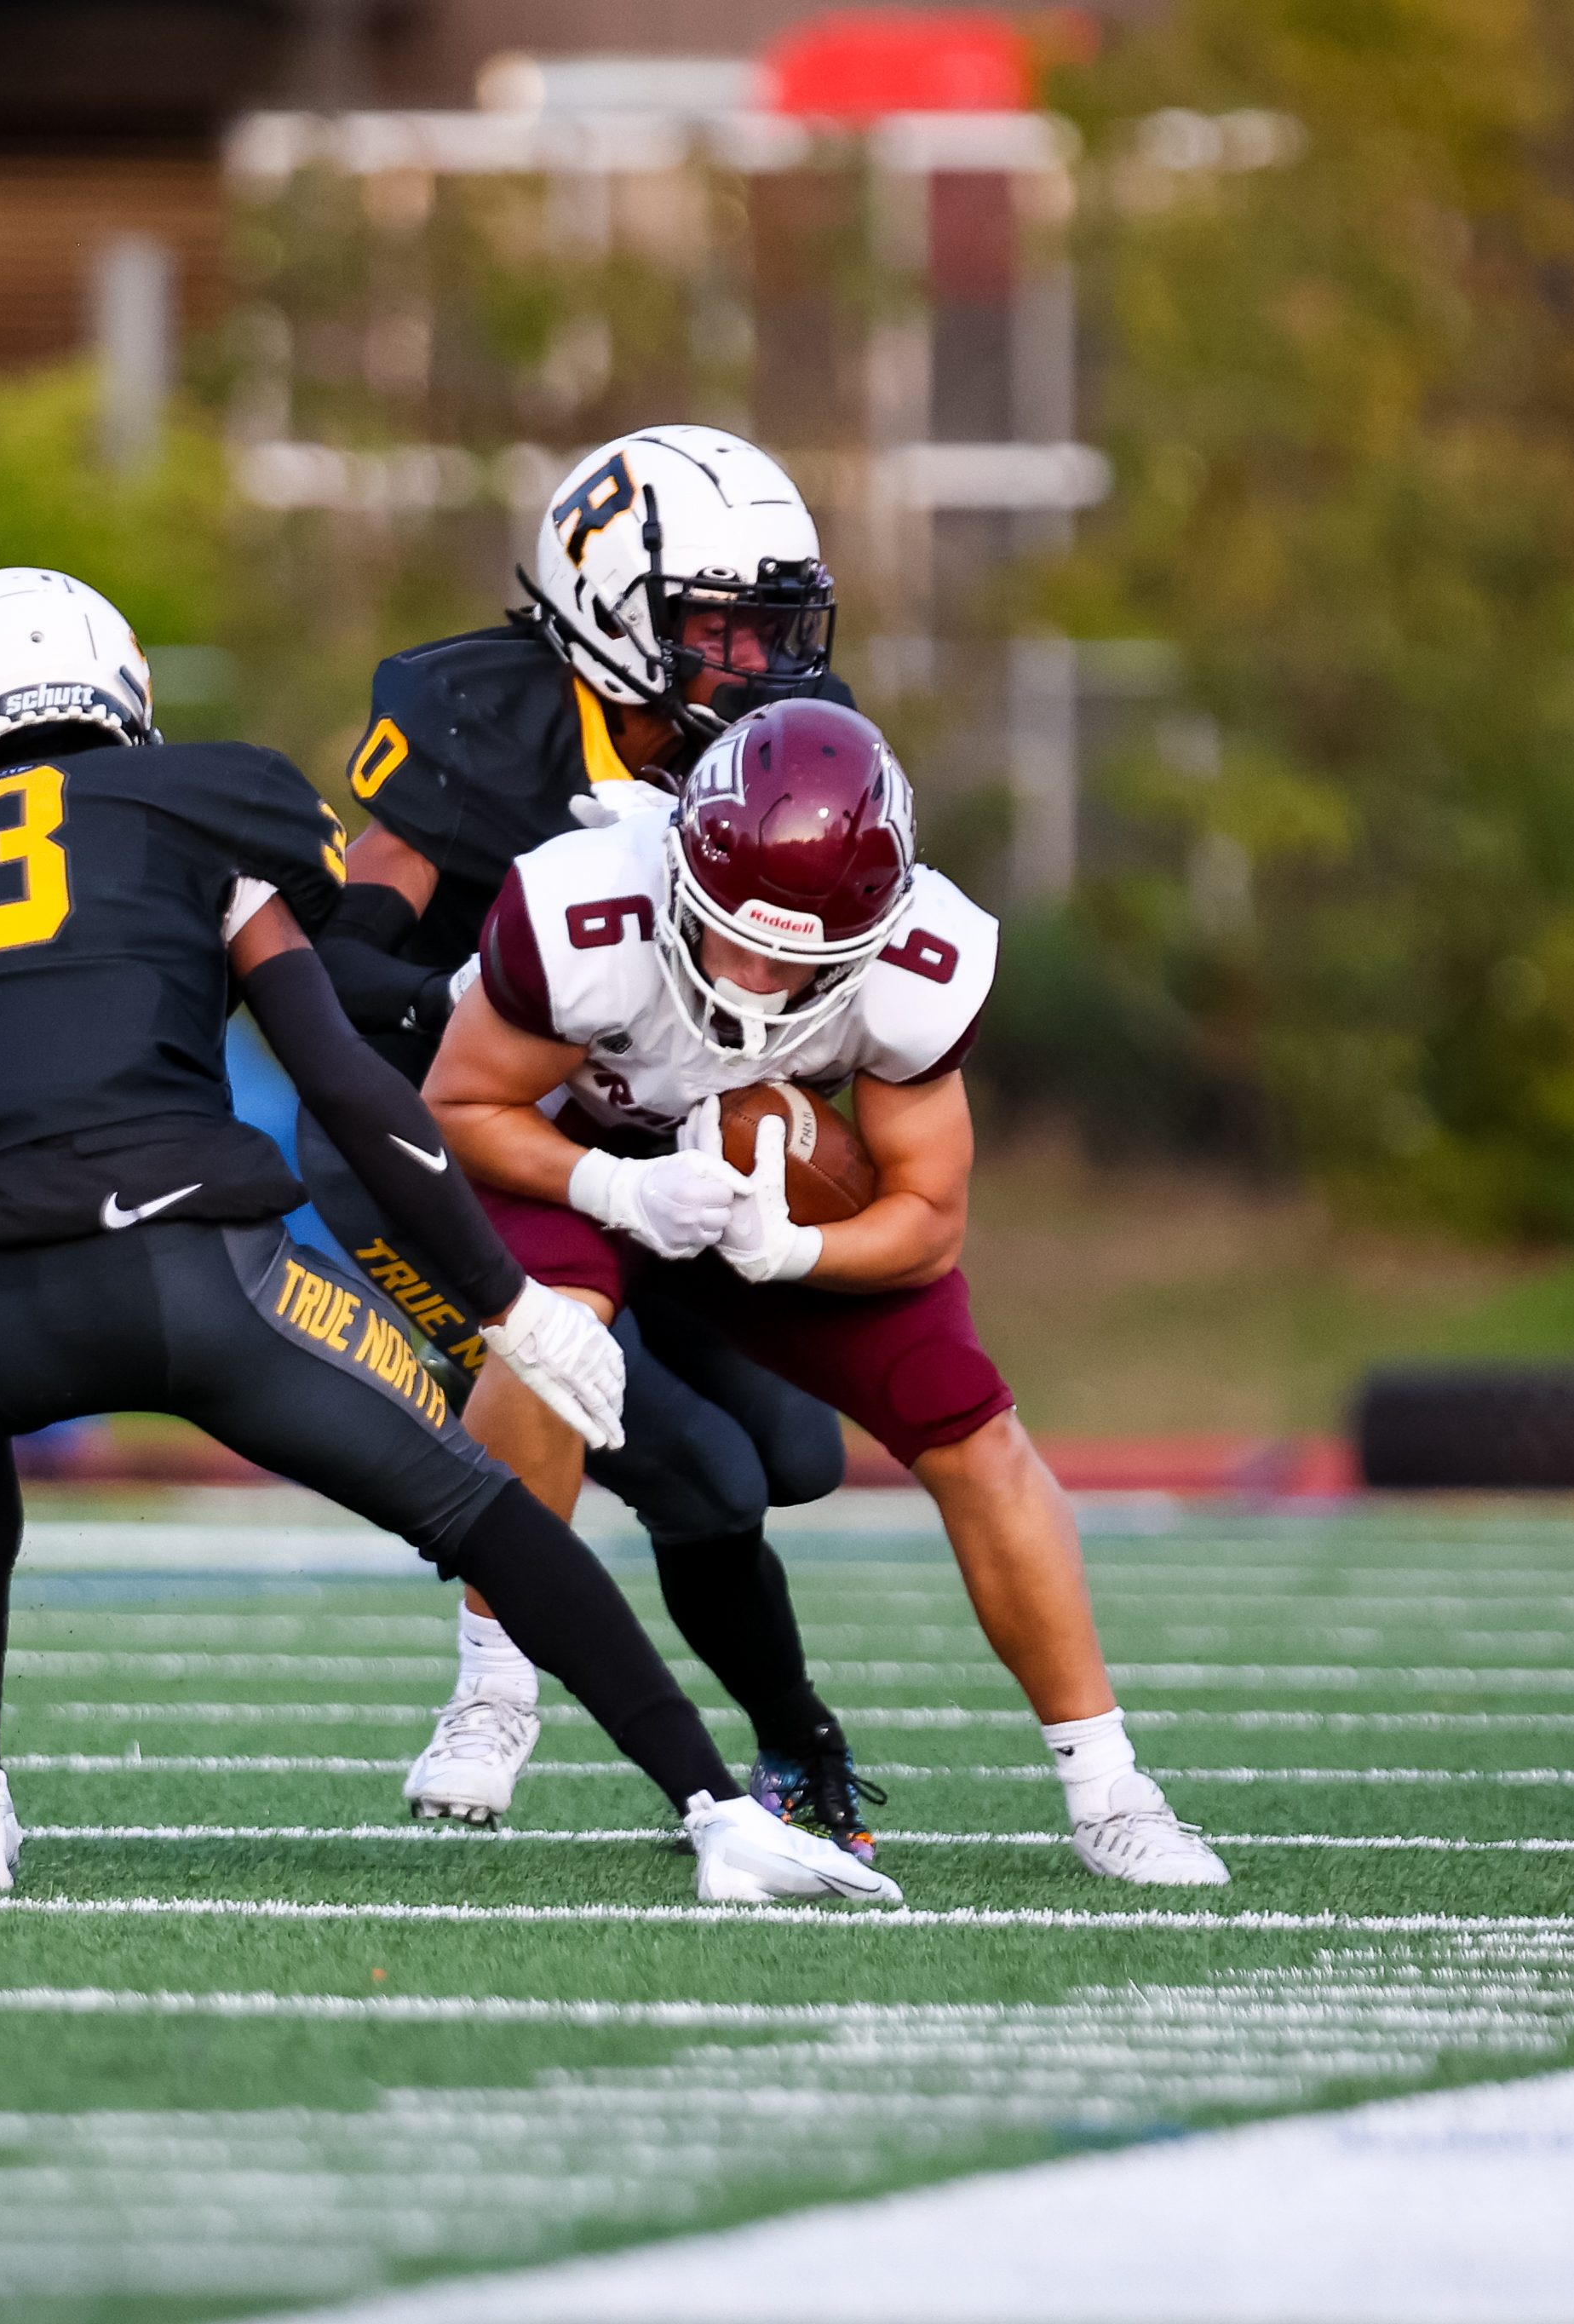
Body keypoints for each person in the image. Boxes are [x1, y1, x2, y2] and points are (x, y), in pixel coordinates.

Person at [0, 565, 898, 1907]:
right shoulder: (209, 808)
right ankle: (719, 1814)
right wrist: (503, 1302)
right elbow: (353, 1091)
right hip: (196, 1270)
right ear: (125, 697)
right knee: (480, 1510)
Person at [419, 694, 1232, 1888]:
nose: (750, 975)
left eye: (791, 957)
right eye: (725, 935)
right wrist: (615, 1187)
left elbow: (928, 1223)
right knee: (551, 1332)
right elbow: (457, 1107)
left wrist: (792, 1252)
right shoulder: (588, 906)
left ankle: (1110, 1789)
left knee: (970, 1422)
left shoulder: (915, 965)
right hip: (572, 1162)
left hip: (758, 1188)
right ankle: (491, 1687)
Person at [298, 423, 877, 1846]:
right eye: (721, 628)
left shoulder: (783, 740)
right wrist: (495, 1001)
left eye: (775, 624)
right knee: (688, 1463)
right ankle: (510, 1693)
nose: (761, 663)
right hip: (441, 1143)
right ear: (612, 608)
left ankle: (787, 1726)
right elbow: (327, 966)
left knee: (791, 1458)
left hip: (659, 1154)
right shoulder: (479, 716)